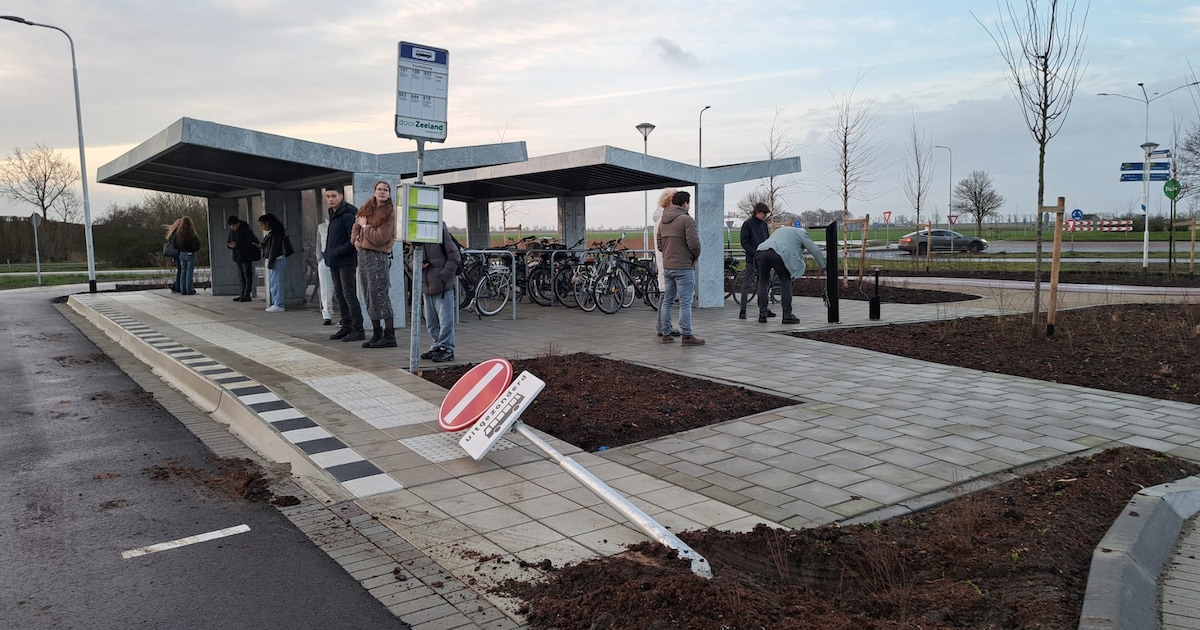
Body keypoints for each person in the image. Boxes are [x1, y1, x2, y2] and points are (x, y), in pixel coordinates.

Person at [351, 181, 397, 348]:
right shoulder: (366, 208)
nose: (382, 192)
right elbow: (356, 226)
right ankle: (376, 333)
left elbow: (379, 238)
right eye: (379, 189)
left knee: (380, 294)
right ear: (374, 191)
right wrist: (356, 240)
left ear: (390, 193)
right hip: (363, 255)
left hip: (378, 256)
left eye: (385, 190)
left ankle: (390, 335)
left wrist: (366, 227)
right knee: (368, 294)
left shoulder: (390, 214)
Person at [656, 190, 704, 346]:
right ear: (685, 203)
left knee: (667, 302)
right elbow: (694, 244)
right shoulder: (687, 220)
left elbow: (660, 245)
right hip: (683, 267)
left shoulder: (663, 220)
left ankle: (666, 334)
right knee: (685, 303)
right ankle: (687, 335)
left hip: (668, 267)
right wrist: (693, 257)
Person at [755, 226, 827, 324]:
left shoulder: (781, 229)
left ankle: (762, 314)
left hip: (761, 250)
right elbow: (814, 249)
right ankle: (787, 315)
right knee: (785, 282)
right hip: (778, 252)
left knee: (763, 282)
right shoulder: (802, 233)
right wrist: (824, 266)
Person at [323, 187, 364, 341]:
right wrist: (328, 253)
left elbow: (353, 238)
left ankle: (358, 329)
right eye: (327, 196)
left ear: (341, 196)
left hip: (346, 260)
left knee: (349, 294)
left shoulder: (347, 214)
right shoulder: (333, 214)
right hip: (334, 260)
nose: (330, 199)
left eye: (333, 196)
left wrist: (337, 252)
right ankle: (346, 326)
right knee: (339, 295)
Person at [419, 221, 461, 362]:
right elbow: (412, 257)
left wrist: (443, 276)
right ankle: (437, 345)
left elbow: (455, 256)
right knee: (431, 321)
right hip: (427, 285)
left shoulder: (441, 233)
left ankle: (447, 348)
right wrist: (417, 264)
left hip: (441, 285)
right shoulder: (417, 237)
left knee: (445, 320)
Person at [738, 202, 775, 320]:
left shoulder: (764, 225)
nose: (765, 216)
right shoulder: (747, 224)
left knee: (763, 284)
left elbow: (767, 240)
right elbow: (744, 242)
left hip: (763, 259)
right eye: (764, 213)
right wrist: (754, 253)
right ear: (757, 212)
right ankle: (743, 309)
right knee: (747, 284)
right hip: (752, 259)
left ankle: (763, 308)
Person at [258, 213, 292, 313]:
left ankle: (279, 304)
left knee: (276, 283)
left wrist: (270, 261)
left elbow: (274, 249)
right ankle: (276, 303)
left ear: (267, 223)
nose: (262, 227)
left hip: (277, 259)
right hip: (275, 259)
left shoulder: (276, 234)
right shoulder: (274, 233)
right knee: (274, 282)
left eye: (262, 225)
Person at [226, 215, 260, 302]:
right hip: (237, 256)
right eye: (231, 226)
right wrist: (230, 245)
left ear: (238, 223)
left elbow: (251, 243)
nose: (232, 227)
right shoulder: (232, 231)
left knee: (247, 275)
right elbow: (229, 241)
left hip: (246, 256)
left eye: (233, 225)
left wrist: (238, 245)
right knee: (241, 276)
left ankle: (247, 294)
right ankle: (242, 293)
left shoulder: (245, 230)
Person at [166, 216, 202, 295]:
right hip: (190, 253)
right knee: (189, 272)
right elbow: (197, 244)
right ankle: (189, 289)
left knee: (183, 272)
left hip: (182, 254)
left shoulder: (178, 234)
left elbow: (175, 244)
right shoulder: (191, 234)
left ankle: (183, 290)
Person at [652, 188, 676, 292]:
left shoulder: (661, 219)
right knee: (667, 295)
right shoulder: (665, 220)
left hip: (666, 262)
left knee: (666, 295)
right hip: (669, 262)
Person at [315, 221, 334, 325]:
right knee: (325, 288)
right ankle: (327, 314)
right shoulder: (321, 227)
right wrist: (319, 259)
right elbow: (318, 244)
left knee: (343, 289)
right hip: (324, 258)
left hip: (338, 257)